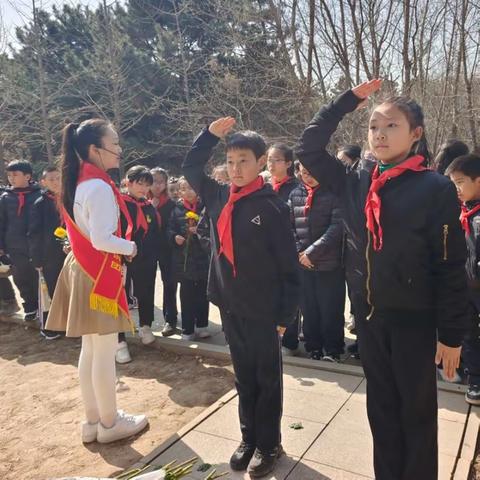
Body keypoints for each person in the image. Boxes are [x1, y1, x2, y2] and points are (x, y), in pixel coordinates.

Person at [296, 79, 470, 480]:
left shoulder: (435, 188)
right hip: (370, 319)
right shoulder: (355, 181)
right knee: (382, 411)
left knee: (417, 415)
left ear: (416, 134)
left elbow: (449, 265)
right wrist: (346, 102)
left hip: (415, 321)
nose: (380, 134)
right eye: (374, 126)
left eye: (392, 126)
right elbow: (307, 148)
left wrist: (451, 335)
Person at [182, 119, 300, 478]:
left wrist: (284, 314)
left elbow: (288, 268)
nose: (235, 169)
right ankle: (248, 438)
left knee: (267, 380)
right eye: (231, 161)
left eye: (244, 160)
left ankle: (270, 444)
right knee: (244, 377)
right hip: (230, 304)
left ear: (262, 162)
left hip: (264, 310)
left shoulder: (273, 206)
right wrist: (209, 135)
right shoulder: (218, 196)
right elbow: (190, 166)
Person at [45, 119, 148, 444]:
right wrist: (130, 247)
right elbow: (104, 239)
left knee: (90, 350)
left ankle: (92, 422)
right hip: (97, 273)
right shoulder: (100, 187)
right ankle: (109, 422)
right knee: (102, 352)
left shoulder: (79, 182)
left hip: (81, 268)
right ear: (94, 149)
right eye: (114, 143)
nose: (119, 149)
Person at [290, 162, 345, 361]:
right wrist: (300, 253)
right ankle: (314, 346)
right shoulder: (295, 194)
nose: (308, 176)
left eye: (312, 172)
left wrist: (312, 252)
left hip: (329, 263)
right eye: (304, 172)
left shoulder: (334, 193)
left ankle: (333, 349)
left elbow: (337, 226)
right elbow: (290, 227)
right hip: (303, 263)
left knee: (330, 308)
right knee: (308, 308)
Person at [116, 166, 161, 363]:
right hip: (121, 259)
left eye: (147, 184)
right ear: (129, 182)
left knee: (146, 292)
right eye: (139, 183)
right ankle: (119, 341)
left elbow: (154, 233)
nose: (144, 188)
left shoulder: (149, 206)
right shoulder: (118, 204)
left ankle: (145, 326)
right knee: (120, 298)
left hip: (146, 259)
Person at [446, 154, 480, 404]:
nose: (456, 189)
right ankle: (475, 379)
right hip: (464, 287)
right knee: (468, 333)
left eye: (460, 182)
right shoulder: (460, 212)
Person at [167, 177, 210, 340]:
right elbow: (169, 230)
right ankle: (187, 328)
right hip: (184, 261)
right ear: (179, 192)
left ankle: (202, 325)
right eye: (184, 189)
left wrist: (199, 232)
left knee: (203, 294)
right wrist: (174, 237)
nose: (188, 192)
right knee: (186, 295)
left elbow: (211, 228)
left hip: (202, 259)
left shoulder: (204, 207)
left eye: (191, 188)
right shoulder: (176, 210)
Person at [0, 160, 41, 321]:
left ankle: (43, 307)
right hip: (15, 247)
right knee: (20, 277)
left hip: (36, 246)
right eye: (9, 175)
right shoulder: (5, 198)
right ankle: (29, 307)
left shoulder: (39, 196)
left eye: (15, 175)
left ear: (28, 176)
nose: (11, 178)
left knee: (38, 277)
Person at [28, 165, 65, 340]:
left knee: (68, 289)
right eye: (51, 179)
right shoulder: (39, 203)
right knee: (51, 291)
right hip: (49, 255)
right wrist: (37, 259)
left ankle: (68, 324)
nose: (56, 182)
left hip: (69, 253)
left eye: (58, 178)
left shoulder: (69, 199)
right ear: (43, 182)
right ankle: (50, 327)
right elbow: (34, 233)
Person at [149, 167, 178, 336]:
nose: (157, 185)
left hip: (167, 249)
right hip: (149, 250)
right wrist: (150, 209)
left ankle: (171, 319)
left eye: (161, 182)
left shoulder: (172, 204)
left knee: (169, 283)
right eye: (153, 181)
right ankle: (147, 321)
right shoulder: (143, 203)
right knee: (147, 284)